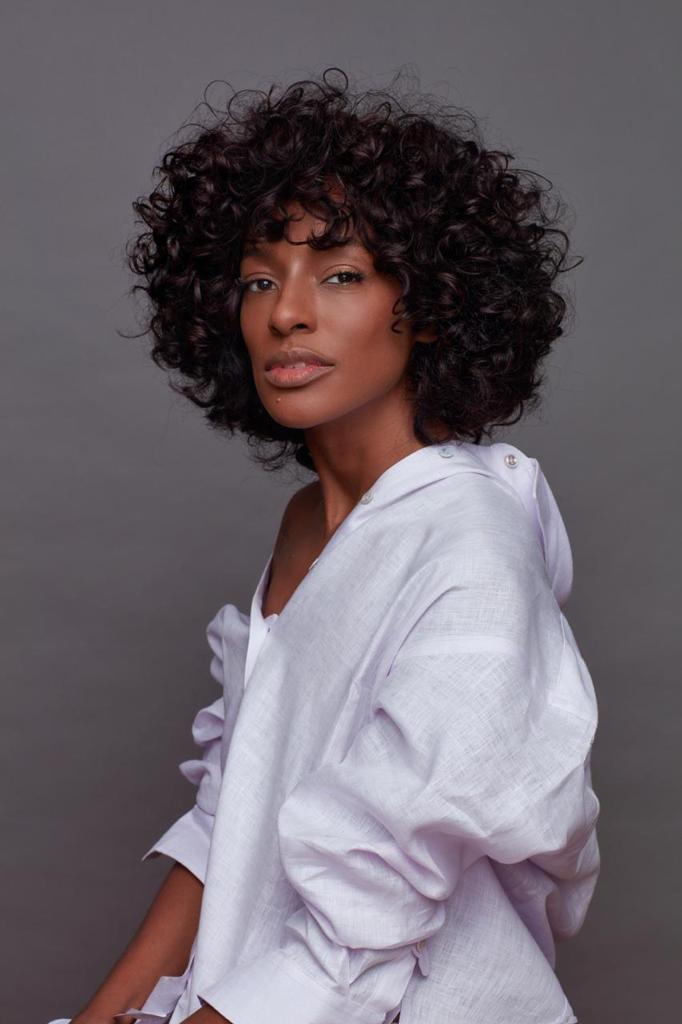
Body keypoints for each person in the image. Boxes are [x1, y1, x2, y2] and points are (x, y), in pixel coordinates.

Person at [47, 67, 600, 1024]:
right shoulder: (310, 520)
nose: (285, 313)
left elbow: (366, 930)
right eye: (259, 279)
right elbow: (234, 819)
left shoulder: (469, 541)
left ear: (430, 302)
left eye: (340, 274)